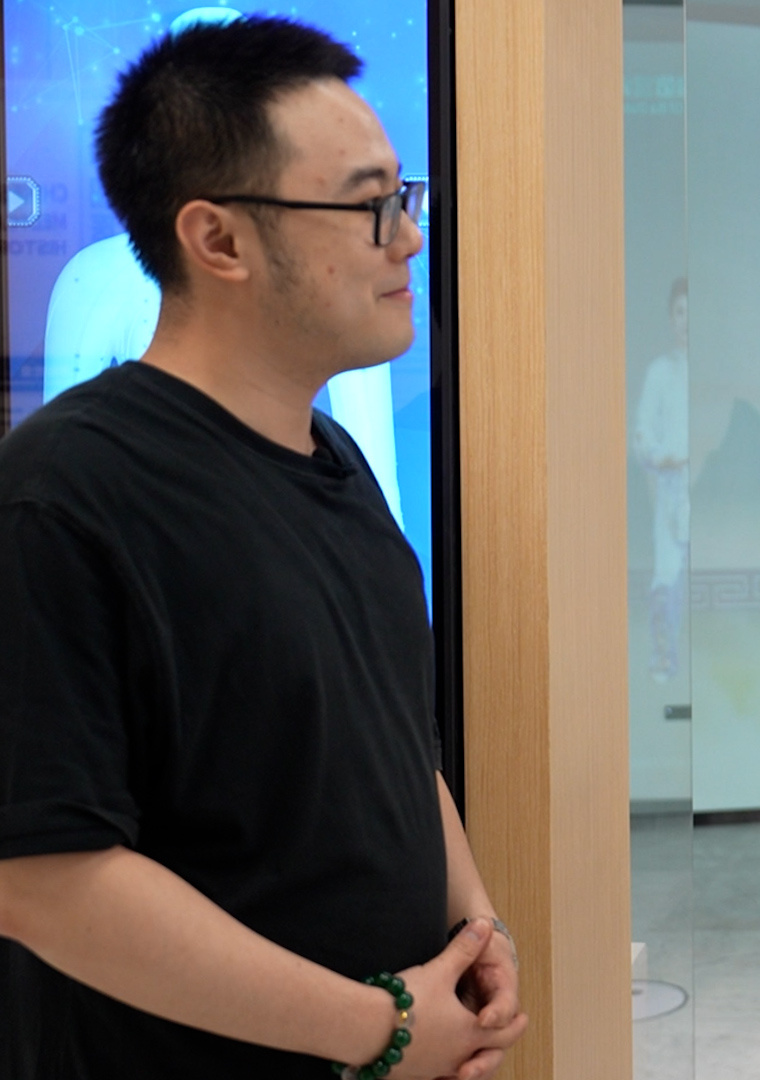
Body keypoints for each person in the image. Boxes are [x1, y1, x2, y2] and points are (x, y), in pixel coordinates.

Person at [0, 17, 527, 1080]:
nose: (408, 238)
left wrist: (478, 929)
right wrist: (382, 1027)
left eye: (405, 196)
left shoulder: (334, 455)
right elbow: (43, 879)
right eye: (370, 205)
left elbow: (393, 741)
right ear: (220, 241)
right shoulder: (65, 492)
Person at [632, 276, 690, 682]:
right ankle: (664, 660)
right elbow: (642, 434)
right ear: (671, 318)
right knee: (666, 576)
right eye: (680, 312)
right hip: (671, 489)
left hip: (706, 492)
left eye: (692, 313)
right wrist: (660, 459)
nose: (686, 321)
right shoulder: (660, 373)